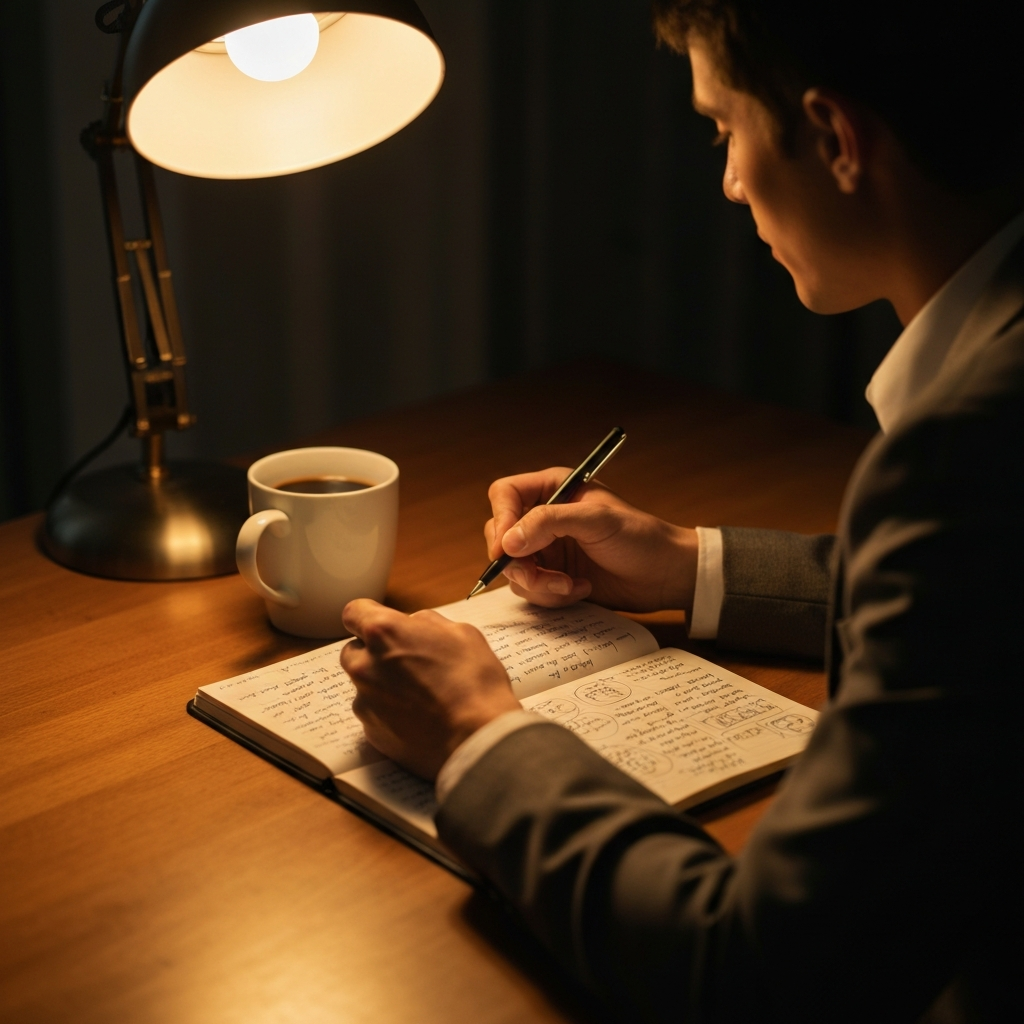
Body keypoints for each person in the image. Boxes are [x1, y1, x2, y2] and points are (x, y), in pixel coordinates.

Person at [340, 2, 1023, 1021]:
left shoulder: (967, 445)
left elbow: (761, 971)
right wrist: (684, 565)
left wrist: (476, 735)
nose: (730, 180)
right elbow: (987, 609)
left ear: (835, 138)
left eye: (724, 129)